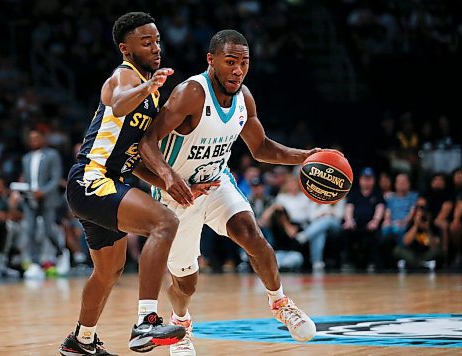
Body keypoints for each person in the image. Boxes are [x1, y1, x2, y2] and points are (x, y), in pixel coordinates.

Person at [140, 29, 338, 355]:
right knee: (186, 282)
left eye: (244, 63)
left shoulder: (244, 98)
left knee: (251, 233)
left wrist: (304, 156)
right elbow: (146, 141)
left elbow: (260, 147)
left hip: (216, 183)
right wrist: (168, 177)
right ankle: (182, 322)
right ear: (211, 60)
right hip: (177, 195)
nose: (237, 70)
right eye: (230, 62)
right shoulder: (190, 93)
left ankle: (280, 303)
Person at [59, 12, 216, 355]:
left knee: (108, 271)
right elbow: (116, 104)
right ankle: (146, 321)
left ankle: (81, 341)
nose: (156, 47)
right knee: (165, 222)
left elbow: (136, 158)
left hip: (105, 184)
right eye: (146, 42)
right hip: (92, 179)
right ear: (125, 49)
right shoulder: (123, 77)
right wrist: (148, 85)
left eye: (157, 40)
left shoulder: (150, 92)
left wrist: (174, 181)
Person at [21, 129, 68, 278]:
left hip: (47, 199)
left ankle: (61, 253)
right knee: (31, 231)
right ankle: (35, 263)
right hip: (30, 199)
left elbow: (55, 179)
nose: (34, 141)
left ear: (43, 139)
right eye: (31, 138)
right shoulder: (26, 158)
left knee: (48, 230)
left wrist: (43, 191)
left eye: (37, 138)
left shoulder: (52, 155)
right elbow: (28, 179)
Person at [342, 167, 385, 270]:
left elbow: (380, 208)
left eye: (369, 179)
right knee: (346, 231)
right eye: (365, 179)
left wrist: (375, 221)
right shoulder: (354, 194)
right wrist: (349, 220)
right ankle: (348, 262)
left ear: (374, 180)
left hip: (370, 224)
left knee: (375, 234)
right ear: (360, 180)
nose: (367, 181)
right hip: (356, 224)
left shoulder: (377, 194)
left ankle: (372, 262)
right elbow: (349, 207)